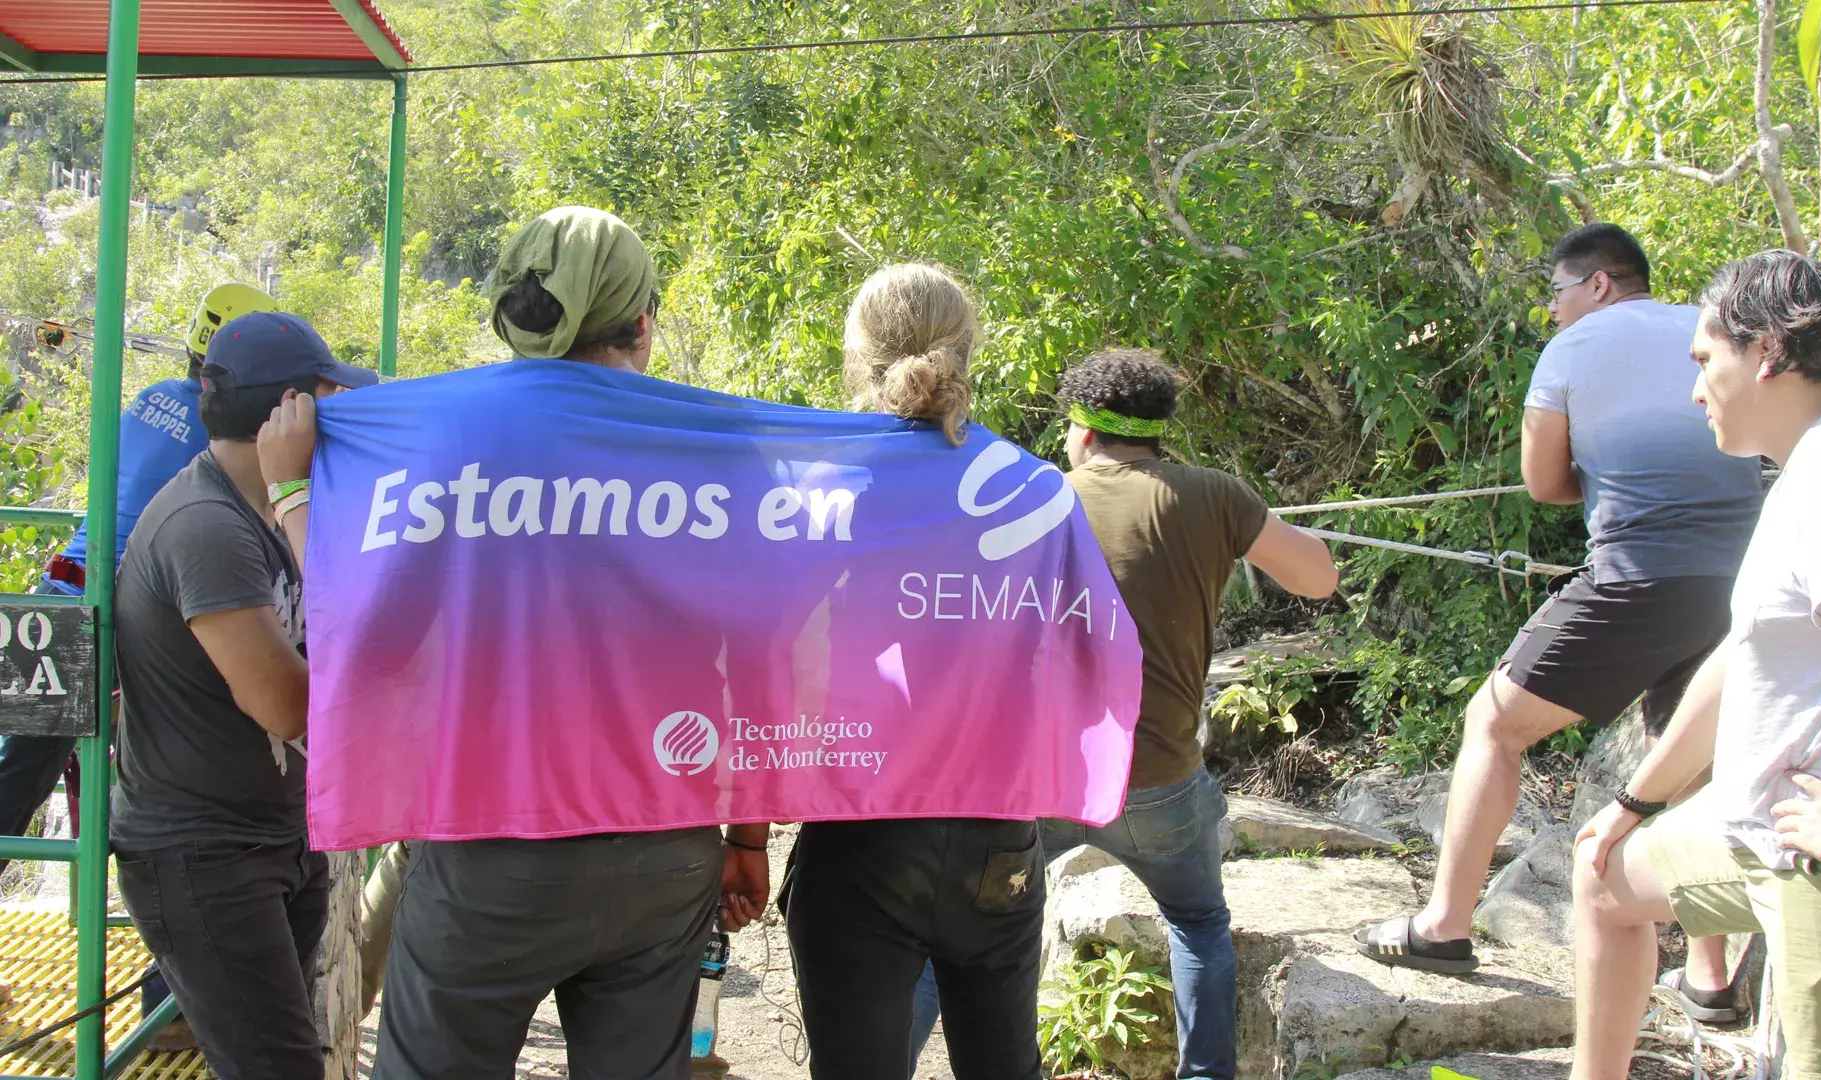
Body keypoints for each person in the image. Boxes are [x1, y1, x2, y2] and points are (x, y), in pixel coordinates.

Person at [260, 206, 770, 1080]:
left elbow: (372, 632)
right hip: (664, 847)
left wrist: (291, 494)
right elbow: (758, 649)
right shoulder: (719, 446)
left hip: (490, 848)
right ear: (642, 321)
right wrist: (748, 837)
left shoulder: (447, 436)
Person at [1354, 224, 1763, 1019]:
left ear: (1600, 284)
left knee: (1494, 723)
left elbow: (1543, 483)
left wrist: (1609, 475)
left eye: (1557, 294)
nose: (1552, 313)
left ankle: (1442, 926)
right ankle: (1709, 977)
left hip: (1637, 575)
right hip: (1742, 579)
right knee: (1687, 750)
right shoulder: (1713, 331)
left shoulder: (1571, 352)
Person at [908, 349, 1339, 1078]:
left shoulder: (1032, 498)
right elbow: (1320, 577)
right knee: (1198, 922)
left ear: (1080, 431)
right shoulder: (1214, 496)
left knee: (946, 933)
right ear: (1158, 432)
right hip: (1161, 781)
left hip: (1040, 783)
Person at [1570, 250, 1821, 1080]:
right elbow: (1744, 656)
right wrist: (1632, 802)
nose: (1696, 390)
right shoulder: (1810, 464)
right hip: (1759, 837)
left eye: (1703, 361)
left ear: (1766, 352)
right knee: (1603, 880)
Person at [780, 263, 1056, 1080]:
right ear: (970, 349)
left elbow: (772, 647)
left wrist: (748, 831)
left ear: (855, 356)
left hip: (863, 822)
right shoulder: (1032, 488)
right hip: (999, 835)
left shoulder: (822, 488)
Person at [0, 283, 275, 1047]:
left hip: (58, 596)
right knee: (171, 791)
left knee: (13, 780)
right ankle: (173, 1003)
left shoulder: (154, 396)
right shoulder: (225, 438)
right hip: (127, 620)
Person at [111, 310, 375, 1080]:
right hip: (206, 853)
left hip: (275, 836)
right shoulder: (207, 528)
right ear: (285, 412)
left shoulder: (264, 511)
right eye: (324, 399)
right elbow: (287, 707)